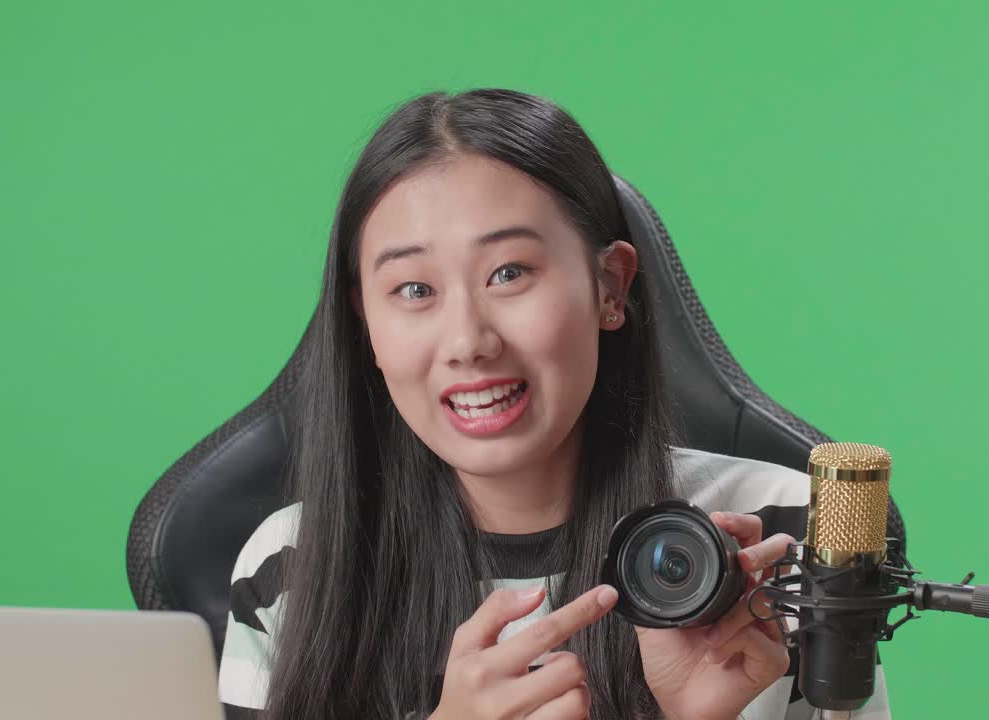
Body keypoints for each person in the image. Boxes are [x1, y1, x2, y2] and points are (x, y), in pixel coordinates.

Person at [216, 88, 891, 720]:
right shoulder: (293, 566)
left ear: (609, 287)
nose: (467, 342)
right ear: (365, 325)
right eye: (414, 290)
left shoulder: (788, 541)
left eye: (509, 273)